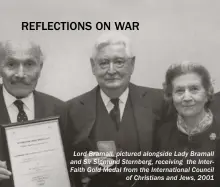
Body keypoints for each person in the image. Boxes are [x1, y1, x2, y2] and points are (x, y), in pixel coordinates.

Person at [62, 31, 169, 187]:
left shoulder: (160, 102)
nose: (111, 71)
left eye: (119, 62)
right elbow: (65, 164)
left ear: (132, 64)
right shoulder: (71, 110)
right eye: (104, 63)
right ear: (93, 66)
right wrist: (81, 168)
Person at [0, 40, 64, 187]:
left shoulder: (61, 110)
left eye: (29, 64)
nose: (20, 74)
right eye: (11, 64)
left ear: (40, 68)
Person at [153, 61, 220, 187]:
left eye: (194, 89)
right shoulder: (162, 133)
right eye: (179, 91)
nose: (187, 97)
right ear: (171, 96)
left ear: (207, 93)